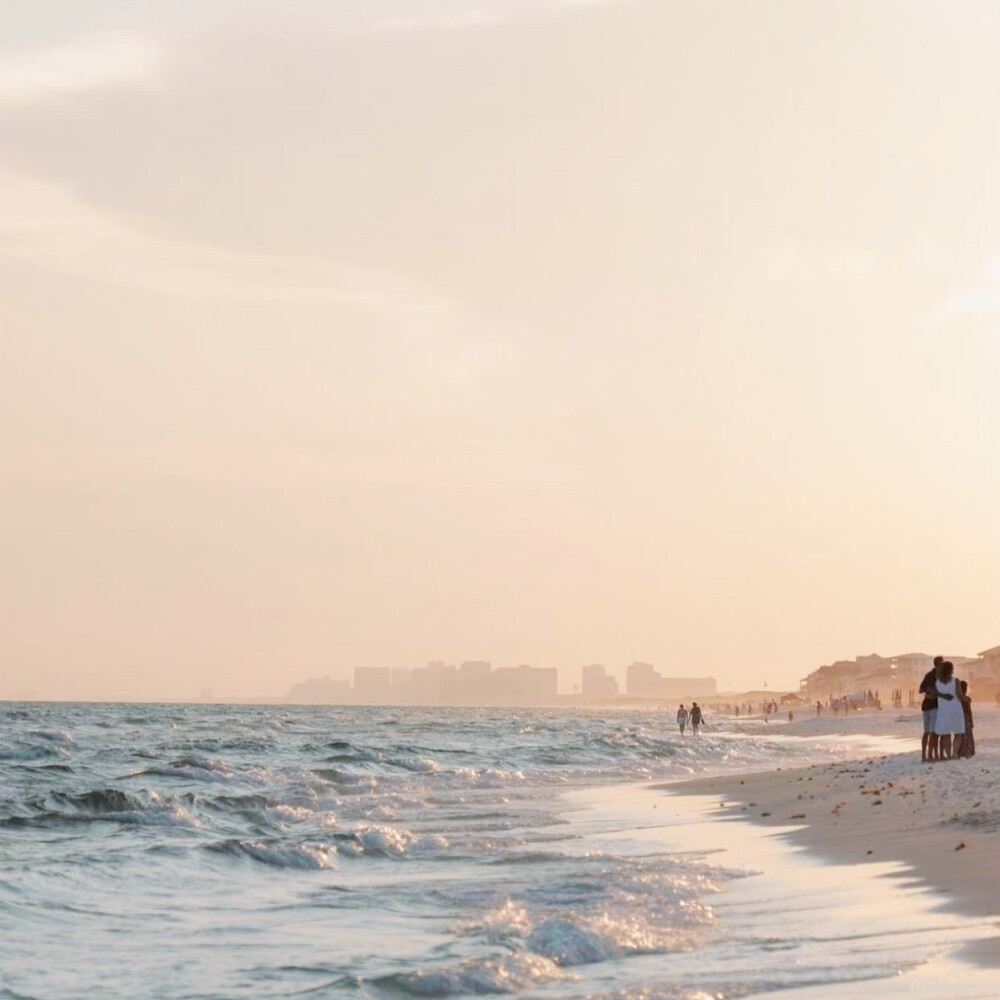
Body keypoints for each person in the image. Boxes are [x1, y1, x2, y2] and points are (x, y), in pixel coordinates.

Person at [933, 661, 964, 760]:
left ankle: (948, 754)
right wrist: (965, 698)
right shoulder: (956, 681)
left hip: (943, 710)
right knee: (958, 733)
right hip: (955, 709)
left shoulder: (937, 682)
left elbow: (935, 694)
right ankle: (954, 753)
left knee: (946, 734)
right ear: (951, 670)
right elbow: (959, 695)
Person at [919, 656, 943, 762]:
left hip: (926, 706)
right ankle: (932, 755)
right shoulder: (940, 677)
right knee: (934, 732)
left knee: (927, 732)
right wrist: (933, 692)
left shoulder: (928, 675)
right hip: (934, 706)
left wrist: (928, 691)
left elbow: (921, 689)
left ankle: (925, 755)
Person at [957, 680, 975, 758]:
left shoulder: (959, 699)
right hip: (966, 718)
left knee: (960, 735)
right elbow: (969, 711)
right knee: (968, 735)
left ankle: (961, 751)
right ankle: (968, 750)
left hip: (960, 718)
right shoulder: (966, 699)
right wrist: (971, 721)